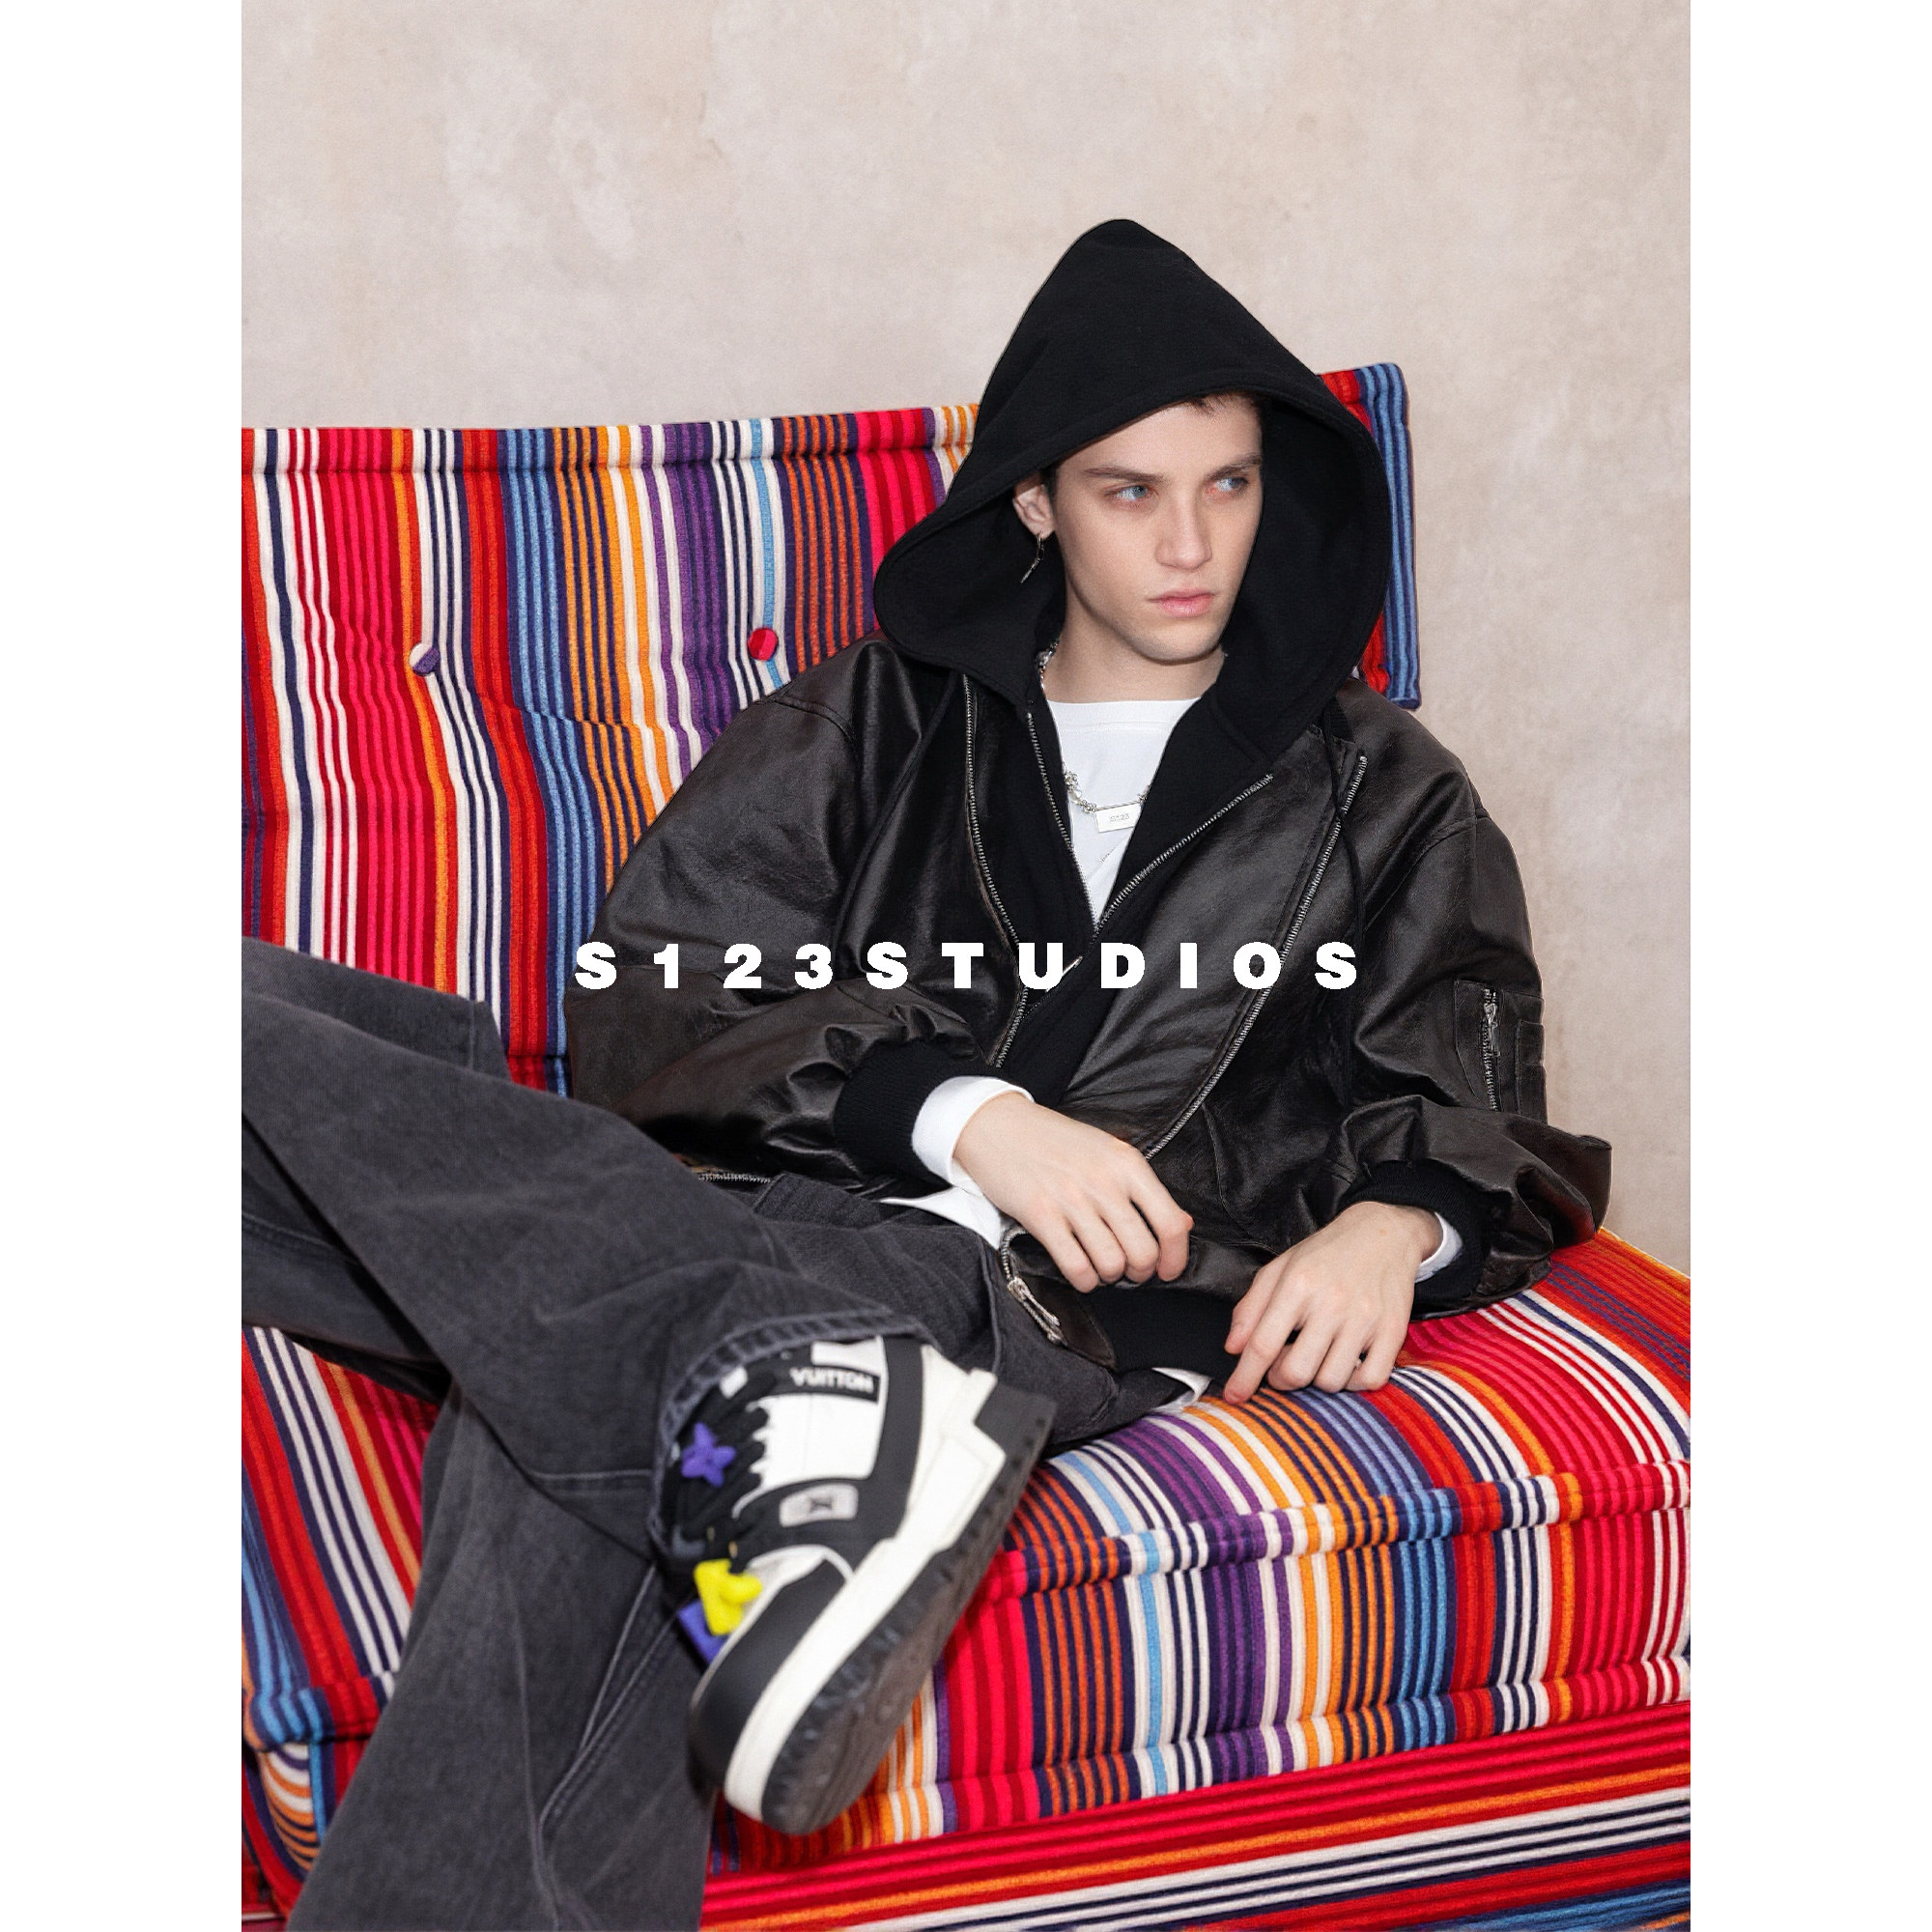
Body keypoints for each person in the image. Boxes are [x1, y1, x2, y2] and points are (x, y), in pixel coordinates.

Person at [243, 219, 1608, 1930]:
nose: (1191, 545)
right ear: (1036, 501)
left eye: (1230, 485)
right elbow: (660, 989)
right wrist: (970, 1115)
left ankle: (822, 1391)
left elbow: (1479, 1092)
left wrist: (1389, 1229)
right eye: (1130, 492)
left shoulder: (1386, 791)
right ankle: (793, 1410)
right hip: (745, 1214)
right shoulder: (869, 721)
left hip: (1031, 1303)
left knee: (550, 1374)